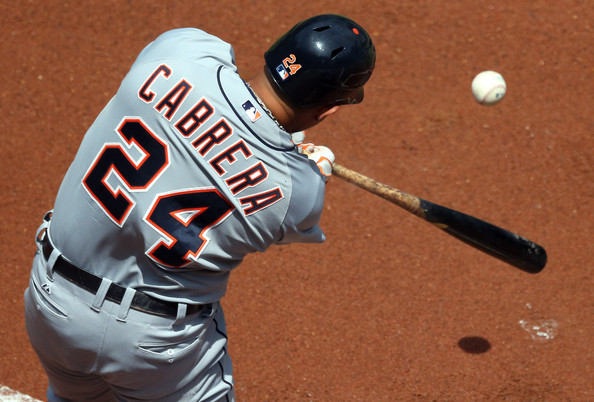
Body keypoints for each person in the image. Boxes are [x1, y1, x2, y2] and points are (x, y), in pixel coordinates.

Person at [24, 14, 375, 401]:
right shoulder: (299, 193)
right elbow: (281, 198)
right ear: (329, 109)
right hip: (153, 347)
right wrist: (311, 169)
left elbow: (215, 122)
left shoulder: (181, 51)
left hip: (51, 303)